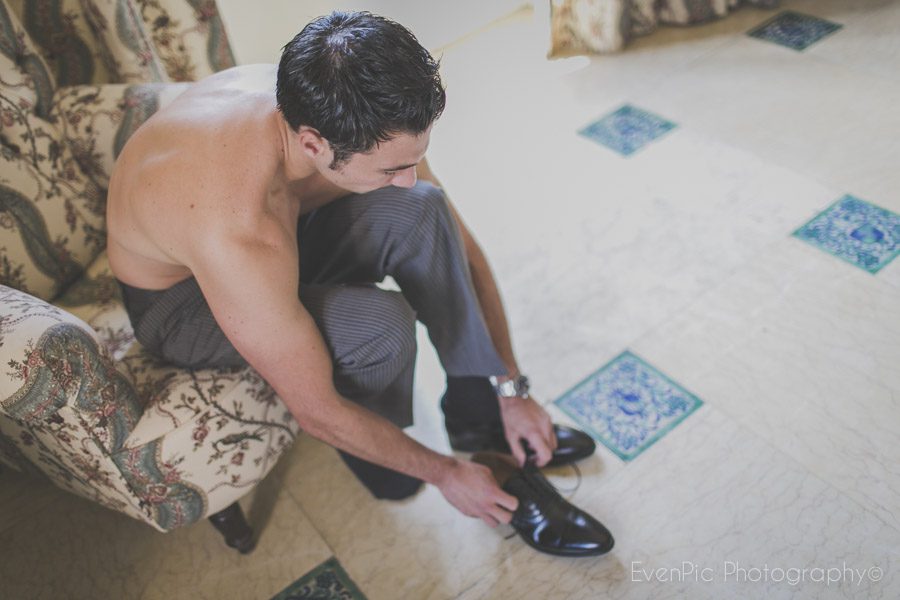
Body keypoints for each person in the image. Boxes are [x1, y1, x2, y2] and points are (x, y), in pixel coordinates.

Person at [107, 11, 588, 528]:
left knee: (423, 209)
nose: (406, 177)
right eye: (391, 168)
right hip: (182, 300)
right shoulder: (235, 226)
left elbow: (462, 248)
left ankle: (480, 419)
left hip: (281, 234)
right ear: (314, 145)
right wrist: (445, 474)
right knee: (380, 328)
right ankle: (384, 466)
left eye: (414, 158)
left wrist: (511, 388)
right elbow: (314, 409)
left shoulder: (346, 112)